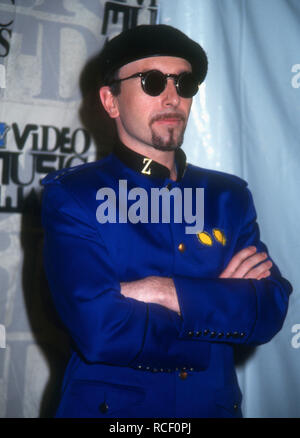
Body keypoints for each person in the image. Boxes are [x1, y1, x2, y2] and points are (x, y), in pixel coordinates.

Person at [41, 24, 292, 418]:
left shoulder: (229, 197)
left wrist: (164, 290)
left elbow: (270, 310)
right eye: (152, 82)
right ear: (111, 101)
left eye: (185, 83)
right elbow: (99, 329)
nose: (172, 97)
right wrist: (214, 304)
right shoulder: (74, 196)